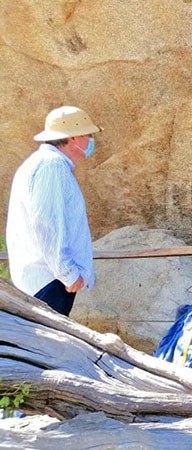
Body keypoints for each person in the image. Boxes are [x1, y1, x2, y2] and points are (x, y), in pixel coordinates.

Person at [6, 106, 102, 316]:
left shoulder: (42, 163)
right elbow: (46, 224)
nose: (91, 141)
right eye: (88, 135)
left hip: (44, 280)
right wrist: (68, 273)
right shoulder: (53, 166)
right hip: (50, 281)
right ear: (73, 138)